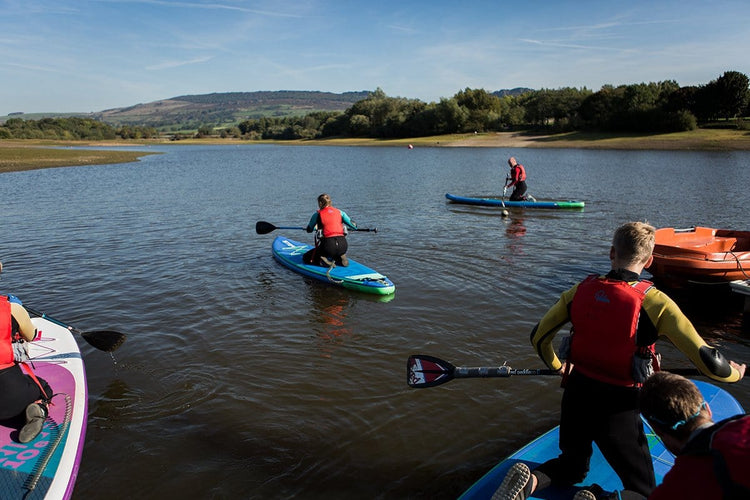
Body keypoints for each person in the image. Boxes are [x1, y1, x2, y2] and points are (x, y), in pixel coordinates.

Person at [494, 221, 745, 500]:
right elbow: (708, 362)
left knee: (573, 465)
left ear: (612, 253)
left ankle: (529, 482)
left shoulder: (580, 290)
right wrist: (734, 373)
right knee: (645, 490)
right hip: (620, 405)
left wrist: (557, 365)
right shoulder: (656, 302)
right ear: (649, 261)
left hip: (576, 392)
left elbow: (539, 337)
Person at [0, 294, 53, 443]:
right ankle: (39, 409)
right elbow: (31, 335)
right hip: (12, 398)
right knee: (43, 387)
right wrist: (19, 310)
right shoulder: (12, 309)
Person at [302, 193, 357, 267]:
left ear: (320, 203)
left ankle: (323, 260)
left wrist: (314, 227)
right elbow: (354, 227)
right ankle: (341, 256)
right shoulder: (340, 212)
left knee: (306, 257)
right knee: (336, 250)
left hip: (328, 246)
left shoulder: (317, 214)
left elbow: (309, 229)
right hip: (343, 245)